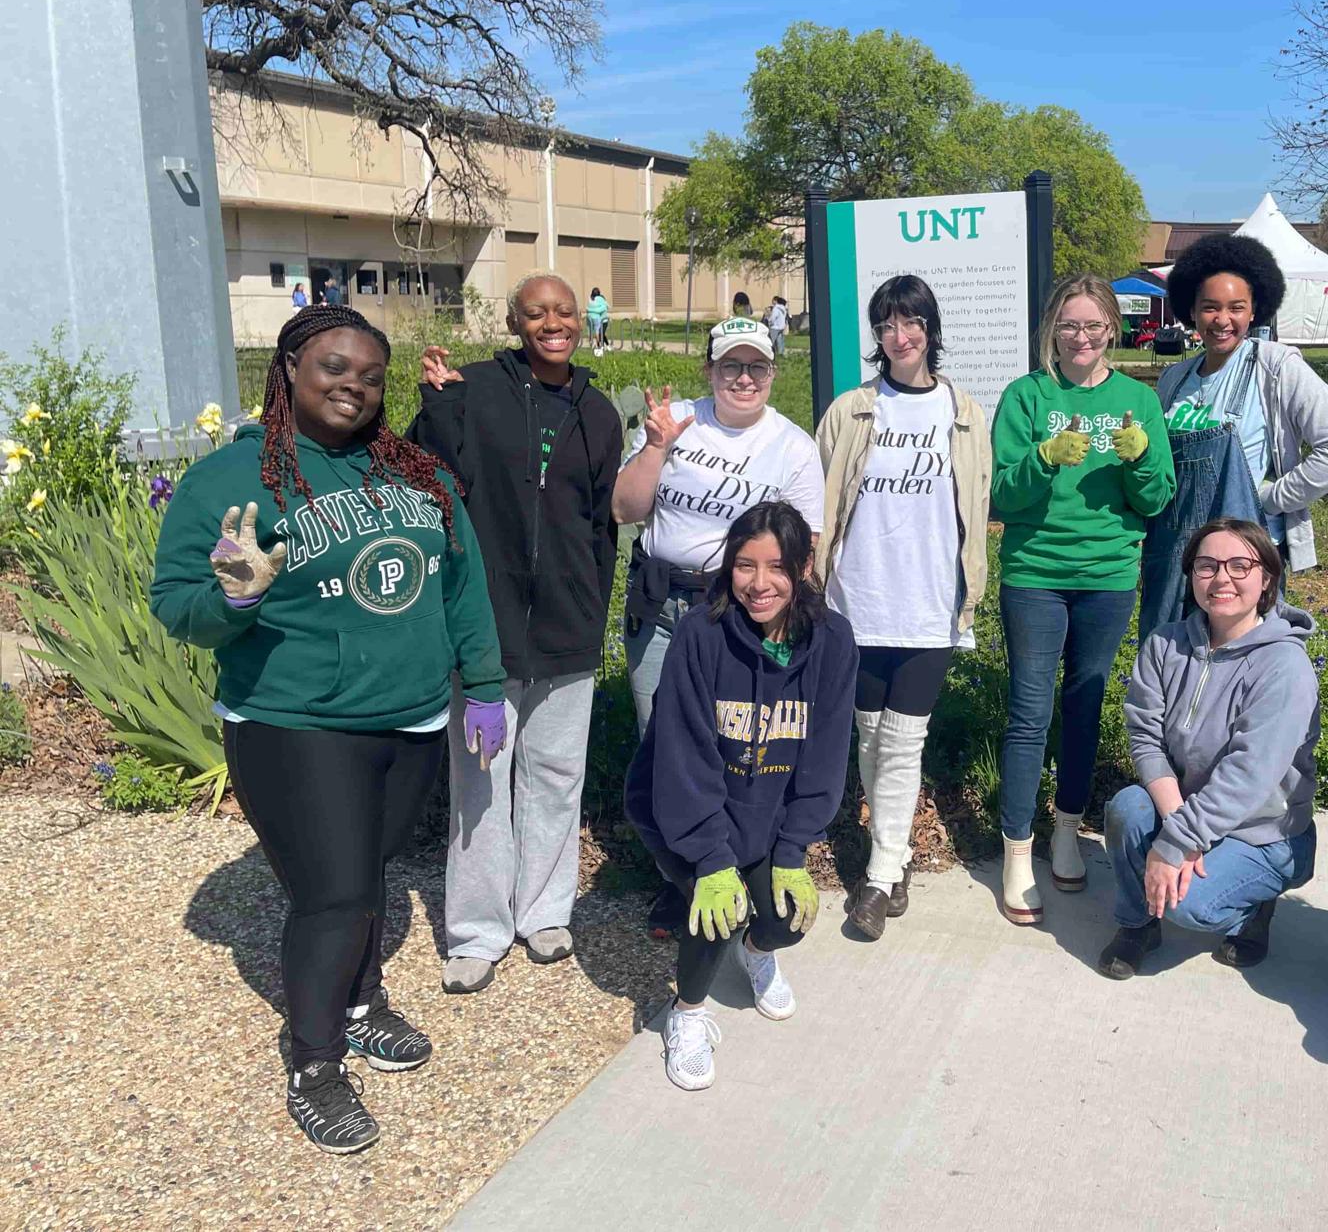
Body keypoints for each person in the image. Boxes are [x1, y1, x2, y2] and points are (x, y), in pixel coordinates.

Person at [150, 305, 507, 1155]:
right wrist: (233, 598)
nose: (353, 386)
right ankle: (313, 1061)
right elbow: (178, 608)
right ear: (288, 373)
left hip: (412, 717)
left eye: (371, 375)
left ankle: (360, 999)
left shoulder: (417, 474)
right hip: (296, 721)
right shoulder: (231, 481)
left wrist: (483, 683)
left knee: (368, 873)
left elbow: (463, 584)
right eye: (332, 369)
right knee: (336, 893)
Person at [408, 272, 624, 995]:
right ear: (516, 322)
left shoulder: (596, 412)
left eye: (564, 311)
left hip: (568, 626)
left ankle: (544, 911)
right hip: (485, 630)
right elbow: (430, 481)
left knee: (556, 779)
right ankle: (476, 930)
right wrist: (437, 406)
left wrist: (593, 605)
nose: (553, 322)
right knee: (479, 782)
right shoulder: (472, 390)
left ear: (582, 320)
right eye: (537, 312)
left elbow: (602, 523)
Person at [623, 501, 857, 1090]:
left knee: (788, 920)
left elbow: (826, 753)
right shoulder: (700, 636)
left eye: (777, 567)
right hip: (681, 811)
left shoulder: (831, 640)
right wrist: (710, 858)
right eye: (744, 566)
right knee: (717, 914)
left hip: (768, 815)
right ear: (728, 568)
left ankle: (758, 952)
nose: (759, 584)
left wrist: (794, 848)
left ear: (804, 567)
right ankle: (688, 1015)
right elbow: (682, 755)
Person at [613, 316, 825, 937]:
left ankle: (737, 869)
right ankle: (682, 881)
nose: (743, 377)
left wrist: (792, 631)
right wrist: (655, 447)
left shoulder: (792, 447)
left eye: (756, 366)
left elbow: (804, 550)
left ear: (772, 373)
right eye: (730, 365)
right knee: (663, 744)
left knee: (731, 747)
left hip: (736, 610)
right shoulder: (675, 420)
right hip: (660, 605)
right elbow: (625, 508)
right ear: (709, 370)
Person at [989, 273, 1174, 924]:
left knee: (1084, 705)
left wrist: (1141, 456)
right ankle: (1017, 848)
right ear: (1052, 329)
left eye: (1094, 326)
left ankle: (1067, 828)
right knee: (1029, 710)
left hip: (1108, 577)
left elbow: (1154, 501)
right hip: (1036, 571)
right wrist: (1042, 458)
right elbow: (1000, 498)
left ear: (1111, 330)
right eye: (1070, 325)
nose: (1082, 337)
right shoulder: (1026, 397)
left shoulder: (1137, 400)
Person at [815, 274, 991, 939]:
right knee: (870, 733)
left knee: (905, 736)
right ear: (877, 336)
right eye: (886, 325)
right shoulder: (851, 409)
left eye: (910, 322)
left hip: (928, 604)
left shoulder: (965, 412)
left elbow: (975, 503)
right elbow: (824, 499)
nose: (899, 335)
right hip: (859, 597)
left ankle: (882, 871)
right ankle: (893, 856)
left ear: (930, 328)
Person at [1099, 520, 1318, 978]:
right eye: (1207, 566)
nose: (1222, 579)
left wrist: (1175, 844)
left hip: (1261, 830)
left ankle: (1255, 907)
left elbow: (1249, 777)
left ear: (1267, 578)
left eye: (1241, 565)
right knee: (1127, 808)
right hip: (1187, 807)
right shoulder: (1164, 645)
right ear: (1191, 575)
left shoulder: (1285, 666)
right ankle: (1139, 922)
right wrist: (1182, 829)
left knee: (1193, 909)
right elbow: (1146, 737)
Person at [1142, 234, 1328, 635]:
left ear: (1254, 310)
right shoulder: (1174, 380)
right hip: (1177, 556)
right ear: (1191, 311)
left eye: (1236, 308)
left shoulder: (1276, 367)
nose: (1222, 319)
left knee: (1241, 665)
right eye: (1209, 307)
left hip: (1242, 559)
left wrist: (1273, 498)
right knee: (1168, 662)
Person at [586, 286, 611, 355]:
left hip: (604, 321)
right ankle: (606, 346)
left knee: (601, 334)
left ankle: (603, 346)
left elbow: (601, 309)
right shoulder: (594, 300)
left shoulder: (602, 303)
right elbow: (594, 308)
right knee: (602, 334)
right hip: (599, 320)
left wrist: (589, 310)